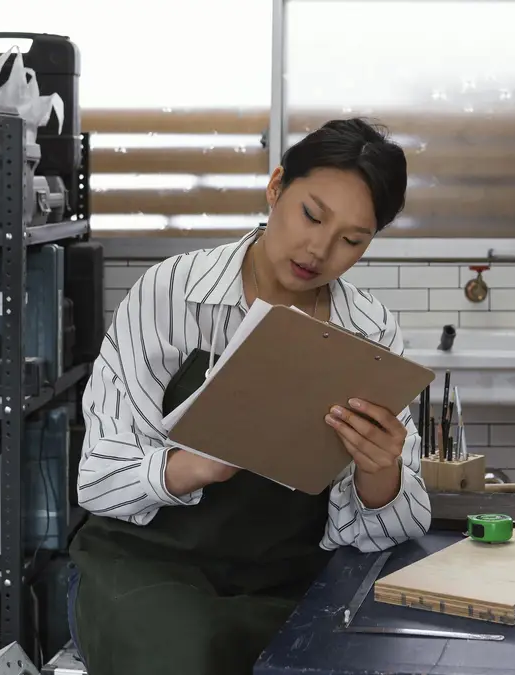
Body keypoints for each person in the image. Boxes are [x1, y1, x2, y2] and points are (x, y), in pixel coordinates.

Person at [67, 118, 431, 675]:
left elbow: (401, 525)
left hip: (289, 580)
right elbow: (97, 478)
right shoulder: (171, 293)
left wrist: (378, 471)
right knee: (184, 657)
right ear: (276, 186)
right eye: (312, 215)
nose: (319, 249)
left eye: (352, 240)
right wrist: (191, 466)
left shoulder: (369, 331)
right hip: (145, 566)